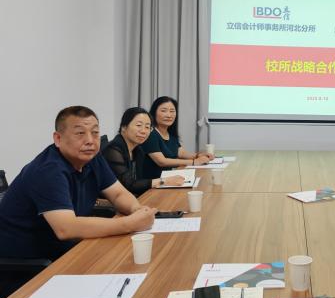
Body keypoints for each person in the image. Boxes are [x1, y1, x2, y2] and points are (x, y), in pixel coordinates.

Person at [0, 106, 157, 261]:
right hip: (28, 261)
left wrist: (136, 210)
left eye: (95, 133)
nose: (90, 141)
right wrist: (129, 224)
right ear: (58, 139)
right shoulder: (48, 170)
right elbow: (66, 228)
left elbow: (117, 193)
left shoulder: (92, 158)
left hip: (66, 248)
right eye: (80, 133)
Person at [102, 107, 185, 197]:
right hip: (110, 201)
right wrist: (163, 181)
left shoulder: (138, 149)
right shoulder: (113, 150)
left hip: (131, 196)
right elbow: (129, 184)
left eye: (147, 127)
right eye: (138, 125)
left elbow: (138, 180)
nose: (143, 131)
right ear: (124, 127)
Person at [141, 96, 213, 179]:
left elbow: (181, 153)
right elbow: (162, 161)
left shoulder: (170, 133)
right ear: (154, 113)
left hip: (169, 178)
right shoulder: (150, 133)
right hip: (153, 182)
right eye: (164, 111)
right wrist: (194, 162)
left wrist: (198, 155)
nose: (169, 115)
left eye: (172, 111)